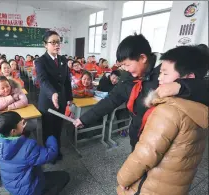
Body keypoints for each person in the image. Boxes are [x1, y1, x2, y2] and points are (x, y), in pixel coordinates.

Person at [73, 34, 209, 152]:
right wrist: (84, 119)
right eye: (122, 65)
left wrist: (181, 86)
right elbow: (111, 100)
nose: (124, 69)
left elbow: (201, 88)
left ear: (143, 58)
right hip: (137, 134)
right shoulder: (127, 77)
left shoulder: (165, 74)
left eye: (127, 64)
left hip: (164, 139)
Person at [116, 45, 208, 195]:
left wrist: (123, 179)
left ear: (189, 78)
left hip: (150, 190)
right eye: (160, 72)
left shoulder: (168, 112)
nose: (159, 78)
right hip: (175, 188)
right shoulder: (199, 107)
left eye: (165, 73)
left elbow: (145, 155)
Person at [0, 112, 70, 195]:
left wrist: (22, 130)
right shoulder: (28, 146)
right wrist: (51, 136)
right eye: (21, 123)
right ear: (13, 131)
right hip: (27, 190)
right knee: (64, 176)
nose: (23, 122)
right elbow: (51, 154)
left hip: (10, 185)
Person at [35, 30, 73, 162]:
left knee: (58, 127)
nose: (57, 45)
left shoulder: (63, 60)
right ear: (45, 45)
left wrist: (69, 98)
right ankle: (49, 154)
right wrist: (53, 93)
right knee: (48, 129)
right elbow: (43, 81)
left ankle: (57, 150)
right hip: (47, 100)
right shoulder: (40, 61)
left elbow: (67, 81)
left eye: (58, 42)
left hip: (61, 99)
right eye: (53, 42)